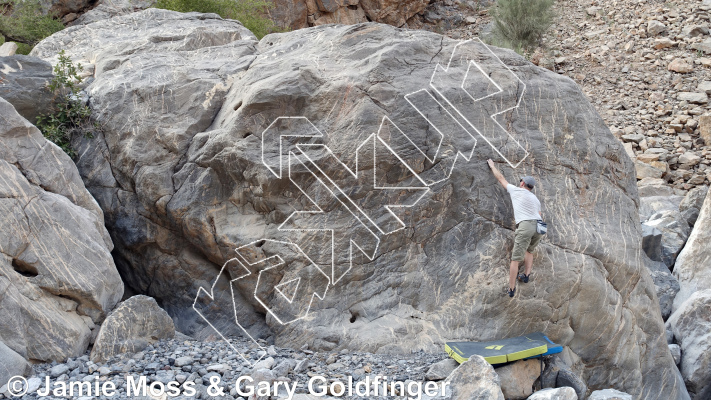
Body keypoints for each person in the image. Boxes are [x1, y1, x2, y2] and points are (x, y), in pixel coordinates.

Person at [487, 159, 543, 298]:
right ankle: (526, 275)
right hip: (540, 226)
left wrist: (493, 166)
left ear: (522, 183)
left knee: (515, 259)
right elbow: (539, 215)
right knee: (529, 250)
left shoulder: (517, 190)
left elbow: (501, 179)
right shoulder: (535, 199)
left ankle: (511, 289)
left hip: (526, 225)